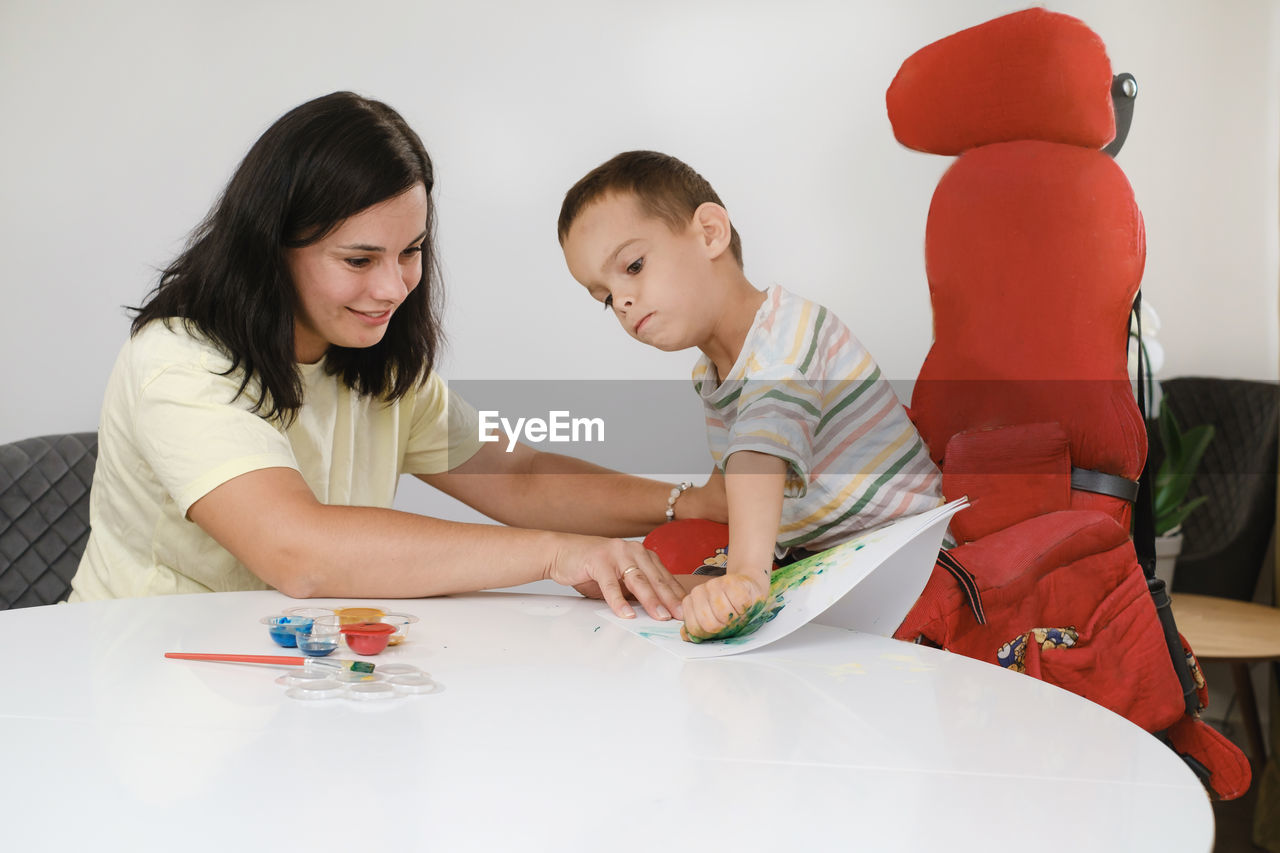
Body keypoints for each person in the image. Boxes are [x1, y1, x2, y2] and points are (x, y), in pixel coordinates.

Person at [69, 93, 723, 622]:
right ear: (270, 247)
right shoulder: (179, 363)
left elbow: (517, 476)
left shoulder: (373, 361)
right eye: (358, 259)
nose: (392, 288)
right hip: (144, 677)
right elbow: (299, 550)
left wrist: (691, 503)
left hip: (295, 674)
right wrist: (558, 556)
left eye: (410, 251)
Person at [557, 150, 944, 640]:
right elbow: (733, 489)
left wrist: (742, 577)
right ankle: (668, 586)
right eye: (607, 297)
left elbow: (759, 453)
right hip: (819, 554)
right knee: (665, 569)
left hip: (907, 553)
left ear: (710, 233)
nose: (624, 301)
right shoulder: (713, 371)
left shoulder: (788, 337)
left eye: (633, 266)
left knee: (736, 592)